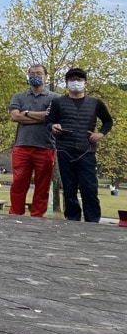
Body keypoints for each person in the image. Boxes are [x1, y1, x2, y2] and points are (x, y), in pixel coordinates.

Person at [46, 67, 113, 223]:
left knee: (89, 187)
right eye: (72, 80)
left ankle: (93, 220)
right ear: (67, 83)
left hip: (86, 151)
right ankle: (72, 218)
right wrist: (53, 127)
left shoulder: (96, 103)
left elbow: (108, 121)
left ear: (85, 83)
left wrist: (100, 134)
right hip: (64, 150)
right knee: (69, 188)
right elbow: (48, 121)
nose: (76, 83)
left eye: (79, 80)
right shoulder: (57, 102)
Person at [8, 64, 61, 217]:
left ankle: (37, 216)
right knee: (18, 183)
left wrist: (27, 114)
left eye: (38, 73)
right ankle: (15, 214)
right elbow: (14, 116)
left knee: (43, 186)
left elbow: (51, 117)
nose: (35, 76)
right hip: (22, 146)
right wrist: (42, 117)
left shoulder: (55, 98)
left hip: (45, 147)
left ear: (46, 76)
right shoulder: (19, 96)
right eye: (32, 73)